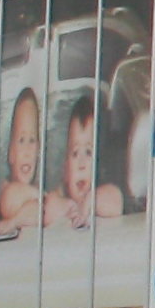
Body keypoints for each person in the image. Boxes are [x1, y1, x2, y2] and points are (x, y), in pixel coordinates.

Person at [45, 88, 126, 226]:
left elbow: (115, 202)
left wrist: (88, 202)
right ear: (65, 168)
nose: (81, 164)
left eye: (88, 153)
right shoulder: (61, 194)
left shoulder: (104, 193)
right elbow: (47, 207)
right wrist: (68, 207)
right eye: (75, 153)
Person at [0, 86, 46, 230]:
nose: (27, 151)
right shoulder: (7, 188)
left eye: (32, 141)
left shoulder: (36, 186)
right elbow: (9, 201)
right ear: (10, 153)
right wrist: (44, 198)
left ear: (38, 150)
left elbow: (38, 211)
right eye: (21, 140)